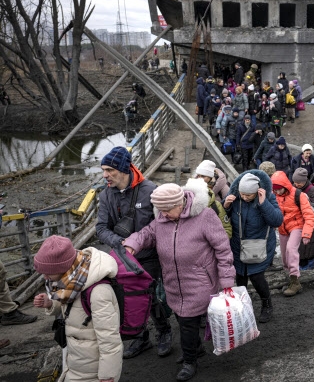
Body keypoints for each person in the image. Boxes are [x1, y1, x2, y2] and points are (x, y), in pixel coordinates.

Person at [124, 184, 235, 381]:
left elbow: (223, 249)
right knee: (181, 317)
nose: (164, 214)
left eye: (167, 209)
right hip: (173, 282)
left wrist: (226, 279)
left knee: (187, 323)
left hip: (199, 281)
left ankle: (190, 361)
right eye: (161, 210)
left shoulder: (205, 216)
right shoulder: (161, 219)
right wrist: (132, 244)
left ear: (180, 203)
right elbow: (147, 234)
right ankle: (196, 348)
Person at [96, 146, 172, 359]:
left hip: (149, 255)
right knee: (128, 298)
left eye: (109, 170)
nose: (105, 175)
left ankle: (164, 331)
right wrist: (119, 242)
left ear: (123, 169)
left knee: (152, 295)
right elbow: (101, 228)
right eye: (103, 170)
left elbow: (162, 224)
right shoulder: (106, 195)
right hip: (122, 256)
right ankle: (141, 337)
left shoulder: (150, 190)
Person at [33, 236, 122, 382]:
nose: (45, 277)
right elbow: (73, 307)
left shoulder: (99, 293)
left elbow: (110, 339)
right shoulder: (72, 281)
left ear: (61, 267)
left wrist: (108, 375)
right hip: (75, 360)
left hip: (91, 370)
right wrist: (51, 303)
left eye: (48, 273)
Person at [223, 171, 283, 323]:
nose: (244, 197)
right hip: (238, 246)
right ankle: (243, 307)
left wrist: (264, 204)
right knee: (240, 277)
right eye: (242, 194)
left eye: (248, 195)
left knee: (256, 277)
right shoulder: (236, 198)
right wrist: (227, 205)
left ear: (256, 192)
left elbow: (277, 220)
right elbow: (223, 218)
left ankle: (266, 304)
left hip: (258, 246)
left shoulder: (267, 198)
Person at [270, 171, 314, 297]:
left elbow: (309, 214)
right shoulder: (274, 195)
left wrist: (306, 234)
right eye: (275, 190)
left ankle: (295, 281)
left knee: (291, 249)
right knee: (284, 256)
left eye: (279, 189)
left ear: (285, 185)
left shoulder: (298, 195)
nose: (277, 192)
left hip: (297, 226)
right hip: (282, 227)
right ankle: (288, 278)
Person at [292, 168, 314, 271]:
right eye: (295, 182)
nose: (296, 184)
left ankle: (310, 267)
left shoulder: (312, 190)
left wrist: (305, 203)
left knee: (309, 247)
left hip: (311, 224)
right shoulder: (294, 189)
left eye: (299, 183)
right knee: (299, 247)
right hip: (298, 222)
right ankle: (301, 267)